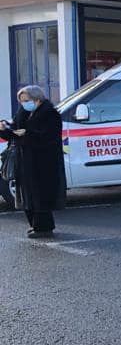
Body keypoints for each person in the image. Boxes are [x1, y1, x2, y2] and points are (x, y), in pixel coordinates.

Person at [0, 85, 66, 237]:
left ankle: (44, 228)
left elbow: (48, 137)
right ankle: (35, 225)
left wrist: (27, 134)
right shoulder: (23, 112)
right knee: (28, 195)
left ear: (37, 99)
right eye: (22, 101)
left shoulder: (50, 114)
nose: (24, 104)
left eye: (26, 100)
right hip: (25, 161)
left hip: (43, 162)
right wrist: (4, 129)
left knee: (40, 195)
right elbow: (15, 134)